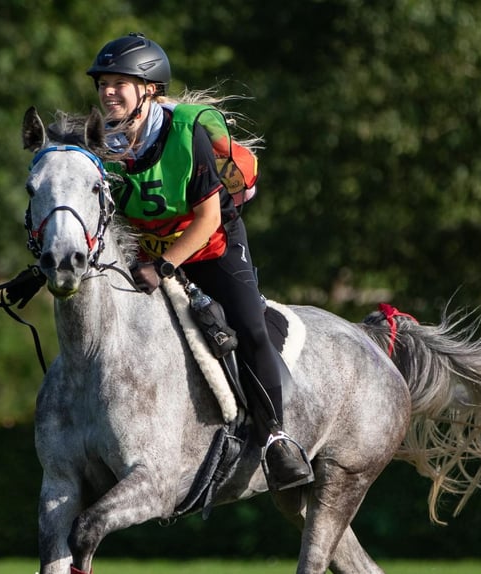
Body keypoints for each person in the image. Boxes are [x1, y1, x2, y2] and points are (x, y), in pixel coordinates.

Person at [87, 33, 313, 491]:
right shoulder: (101, 141)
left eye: (119, 83)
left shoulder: (185, 132)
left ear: (148, 89)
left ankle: (276, 439)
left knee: (249, 328)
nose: (108, 92)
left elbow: (209, 217)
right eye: (103, 83)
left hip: (213, 247)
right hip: (147, 253)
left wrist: (164, 265)